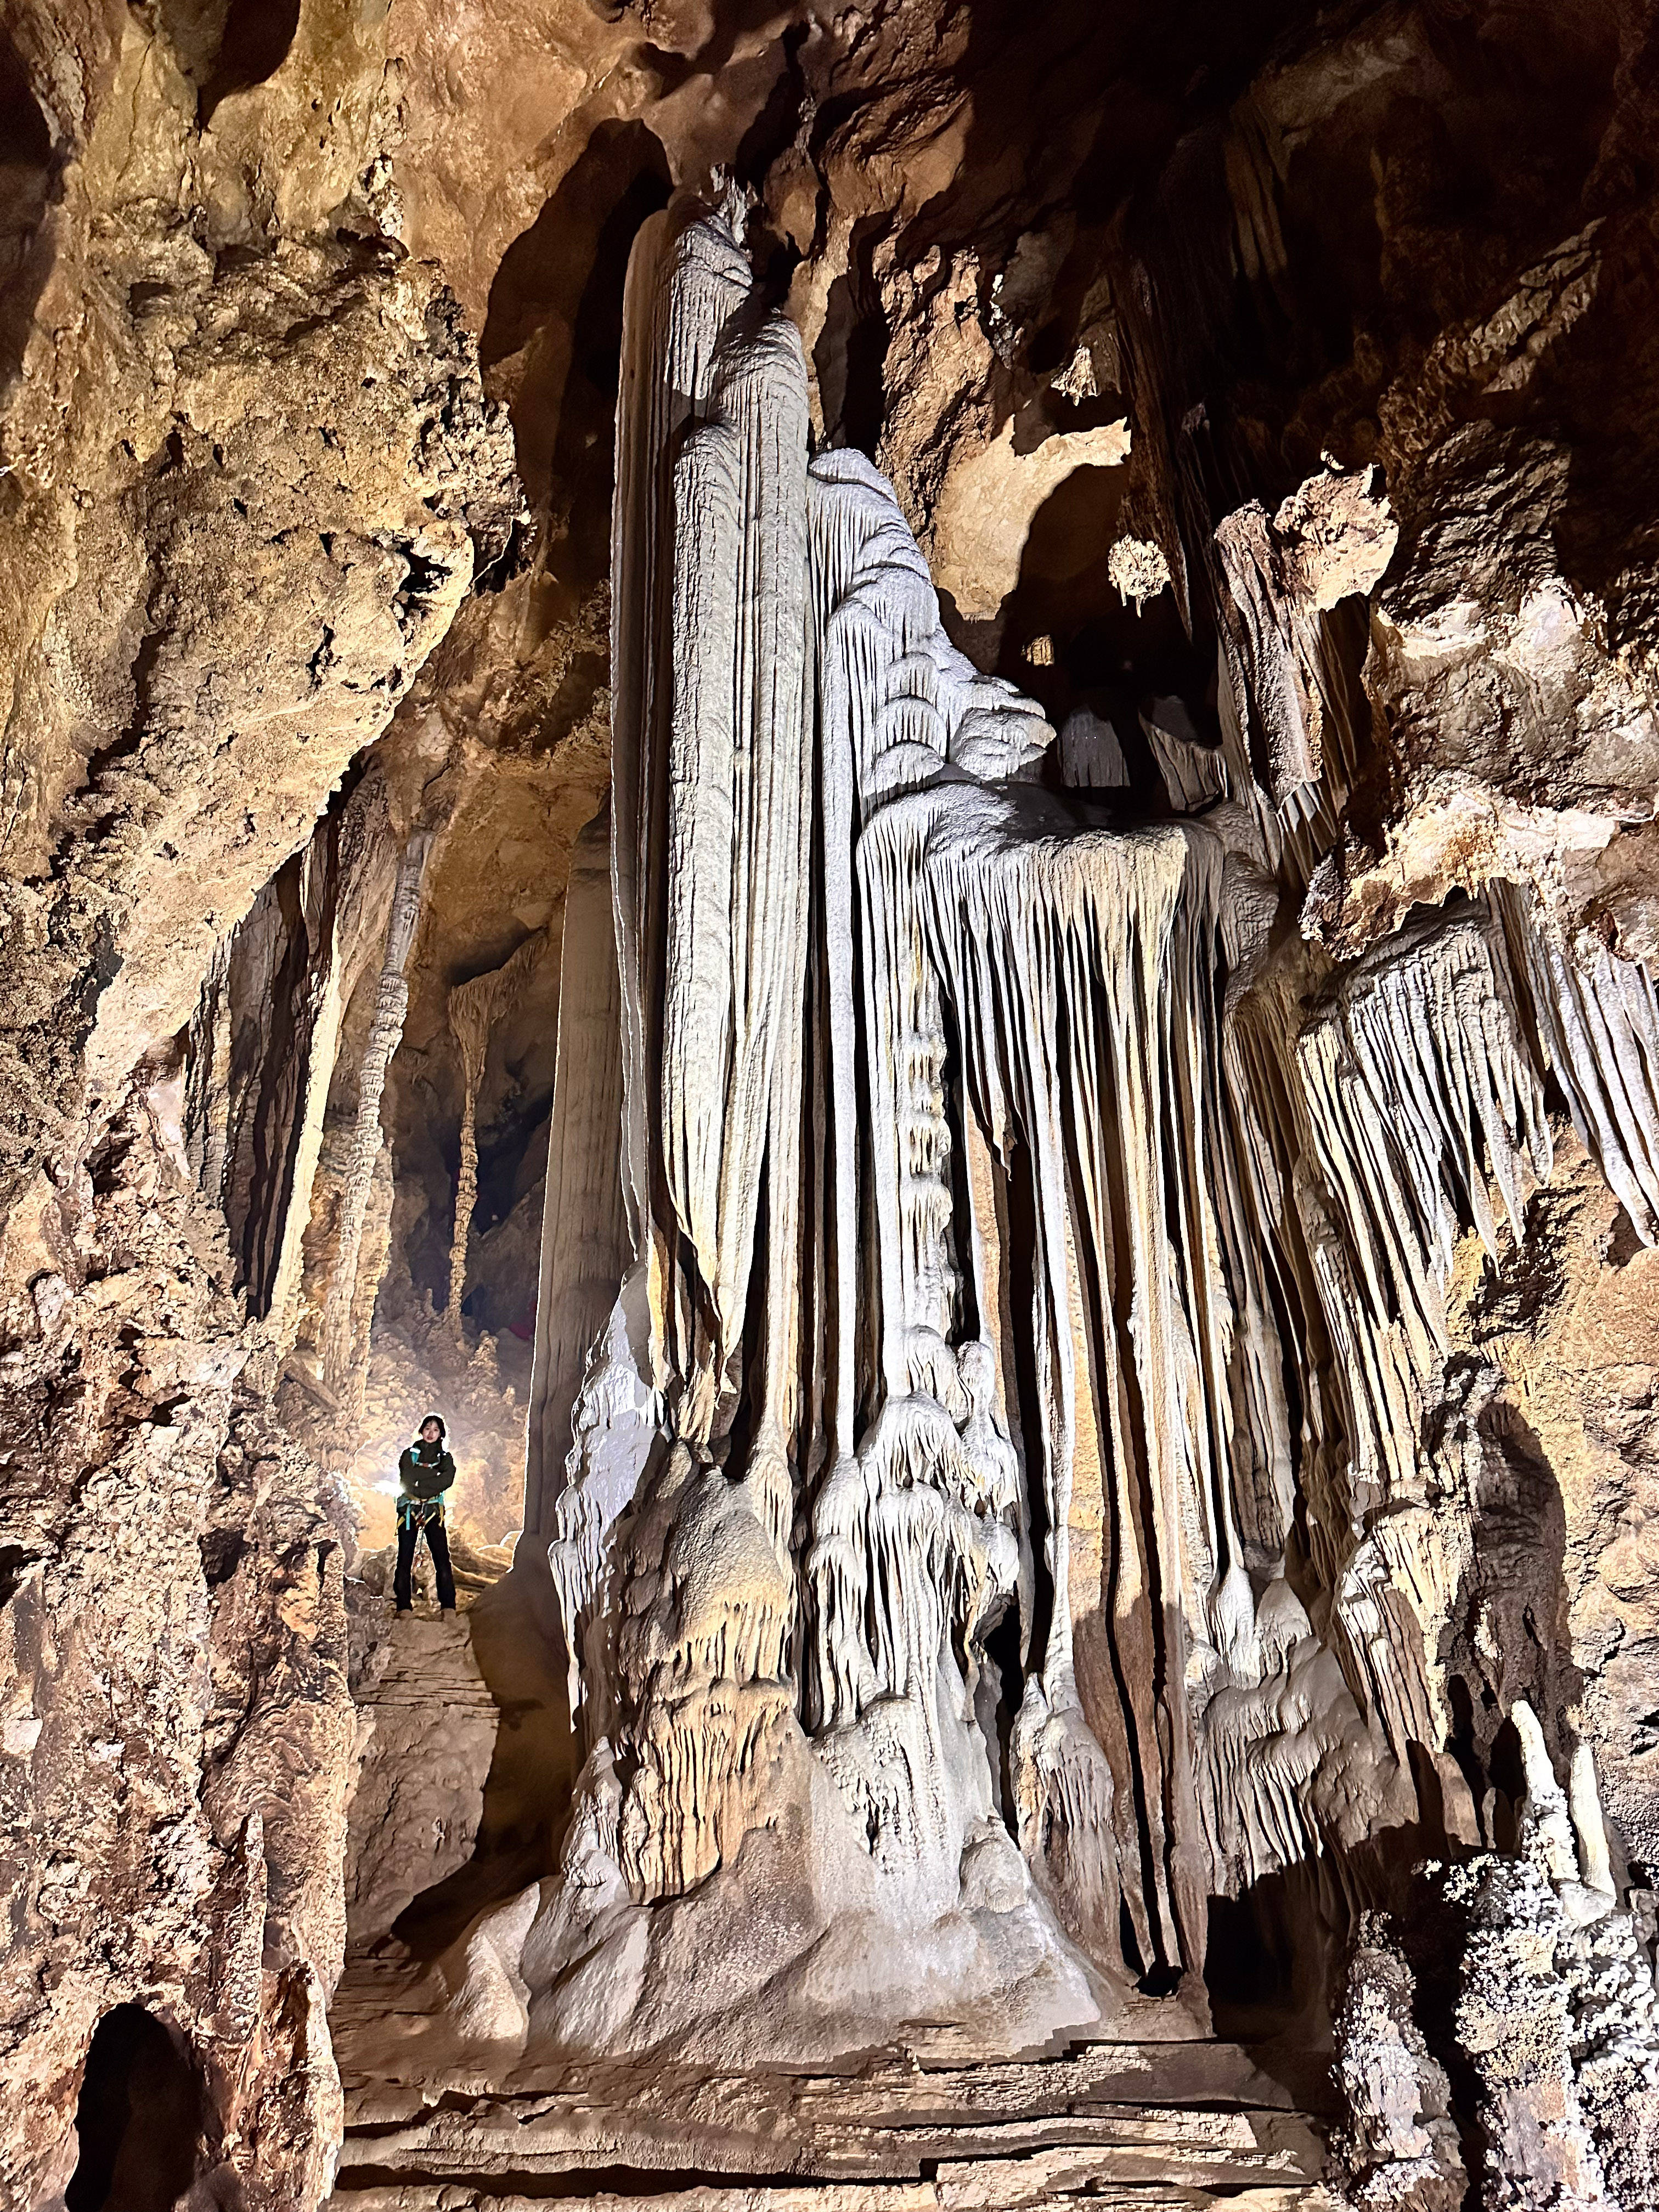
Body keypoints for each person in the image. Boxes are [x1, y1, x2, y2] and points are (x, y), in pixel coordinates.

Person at [394, 1413, 456, 1613]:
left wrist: (421, 1485)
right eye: (428, 1429)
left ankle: (449, 1607)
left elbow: (447, 1480)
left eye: (436, 1430)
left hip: (432, 1511)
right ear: (421, 1431)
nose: (431, 1433)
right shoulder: (408, 1455)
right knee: (404, 1558)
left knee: (442, 1559)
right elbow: (408, 1478)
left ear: (441, 1435)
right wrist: (430, 1482)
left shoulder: (445, 1458)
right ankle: (403, 1606)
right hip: (410, 1511)